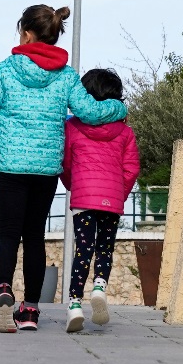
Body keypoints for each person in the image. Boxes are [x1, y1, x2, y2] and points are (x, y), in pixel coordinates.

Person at [0, 5, 126, 332]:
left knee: (8, 234)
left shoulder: (5, 70)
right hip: (45, 169)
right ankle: (30, 310)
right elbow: (89, 112)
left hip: (10, 166)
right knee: (34, 236)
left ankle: (3, 291)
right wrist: (117, 106)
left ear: (26, 33)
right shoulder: (66, 76)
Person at [60, 68, 139, 333]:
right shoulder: (125, 131)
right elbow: (131, 169)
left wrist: (74, 187)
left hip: (84, 196)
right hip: (111, 199)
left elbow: (65, 163)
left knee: (83, 250)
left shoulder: (72, 127)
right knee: (104, 248)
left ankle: (74, 305)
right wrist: (119, 193)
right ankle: (99, 288)